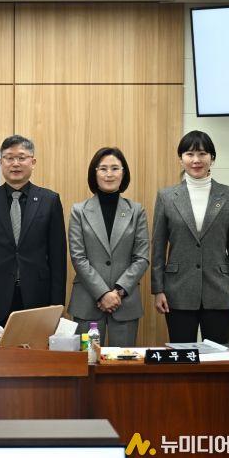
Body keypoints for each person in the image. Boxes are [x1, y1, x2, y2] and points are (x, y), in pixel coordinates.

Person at [0, 134, 67, 345]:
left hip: (37, 298)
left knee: (35, 357)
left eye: (22, 157)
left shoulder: (49, 200)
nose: (15, 163)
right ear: (0, 162)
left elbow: (58, 257)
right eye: (9, 158)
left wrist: (56, 305)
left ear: (33, 162)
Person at [151, 130, 229, 344]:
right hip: (177, 290)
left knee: (217, 356)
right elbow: (157, 247)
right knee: (182, 355)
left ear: (212, 158)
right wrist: (158, 290)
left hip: (219, 290)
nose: (196, 160)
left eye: (202, 154)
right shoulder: (166, 197)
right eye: (189, 154)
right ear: (181, 158)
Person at [67, 147, 149, 347]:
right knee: (87, 361)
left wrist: (118, 292)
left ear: (123, 173)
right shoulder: (79, 211)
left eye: (115, 168)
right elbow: (78, 257)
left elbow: (142, 257)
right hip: (87, 302)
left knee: (123, 362)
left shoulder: (136, 211)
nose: (109, 174)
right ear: (94, 174)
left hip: (124, 302)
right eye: (103, 169)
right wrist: (103, 293)